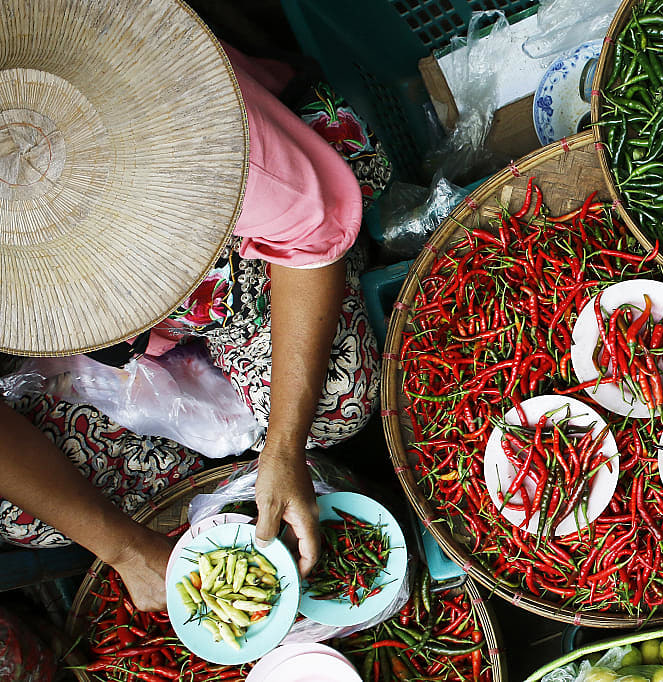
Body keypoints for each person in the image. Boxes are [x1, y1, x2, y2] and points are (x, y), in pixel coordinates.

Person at [0, 43, 390, 610]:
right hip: (119, 339)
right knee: (23, 515)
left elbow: (304, 241)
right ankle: (230, 490)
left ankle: (271, 466)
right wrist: (125, 548)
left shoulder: (192, 121)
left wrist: (284, 445)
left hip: (235, 255)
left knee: (336, 402)